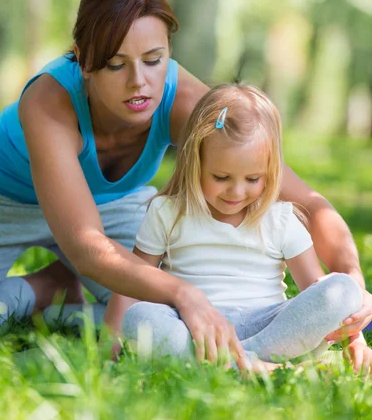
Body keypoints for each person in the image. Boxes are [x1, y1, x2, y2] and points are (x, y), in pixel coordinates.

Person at [0, 0, 370, 369]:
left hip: (114, 204)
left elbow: (307, 202)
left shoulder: (191, 105)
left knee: (143, 310)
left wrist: (352, 282)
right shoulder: (49, 103)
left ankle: (61, 293)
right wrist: (185, 294)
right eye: (115, 64)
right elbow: (88, 247)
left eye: (153, 60)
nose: (139, 82)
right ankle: (50, 287)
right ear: (83, 61)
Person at [109, 84, 372, 371]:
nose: (236, 191)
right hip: (196, 326)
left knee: (343, 289)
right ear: (194, 162)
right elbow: (133, 283)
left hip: (270, 327)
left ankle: (233, 363)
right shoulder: (168, 213)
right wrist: (108, 350)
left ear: (271, 171)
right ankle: (258, 366)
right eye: (221, 176)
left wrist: (353, 337)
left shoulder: (281, 219)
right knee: (141, 317)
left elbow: (316, 288)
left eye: (252, 179)